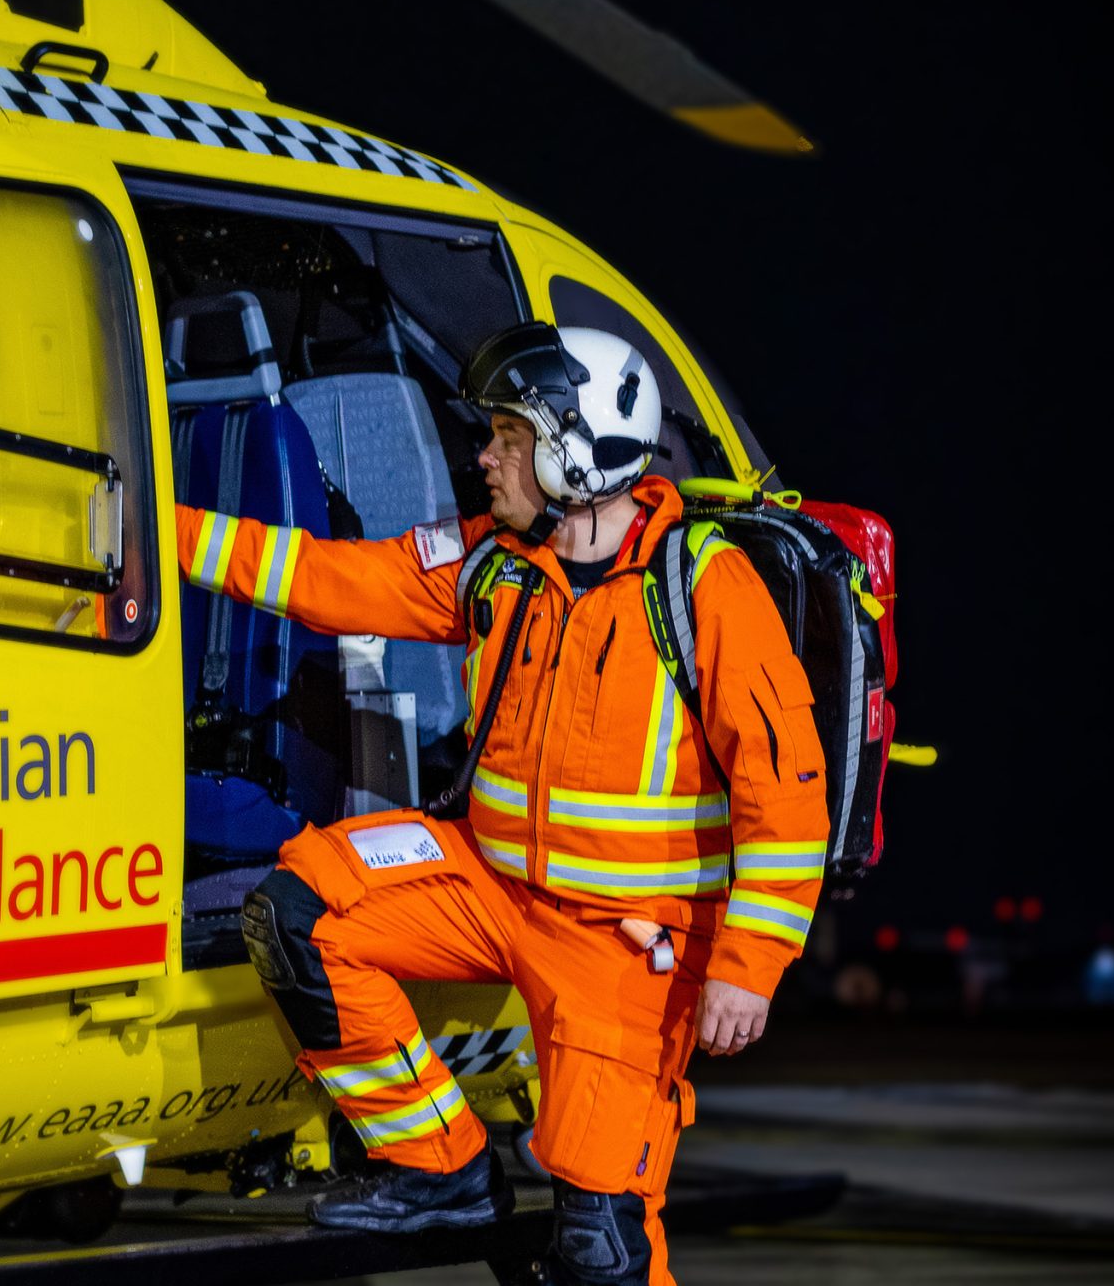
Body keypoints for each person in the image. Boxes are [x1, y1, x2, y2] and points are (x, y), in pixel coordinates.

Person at [177, 321, 828, 1285]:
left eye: (509, 439)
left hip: (625, 939)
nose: (484, 457)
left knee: (599, 1246)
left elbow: (789, 788)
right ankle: (441, 1165)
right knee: (300, 914)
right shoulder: (495, 560)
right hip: (490, 884)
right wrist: (157, 529)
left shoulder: (704, 586)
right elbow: (327, 579)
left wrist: (750, 964)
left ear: (575, 452)